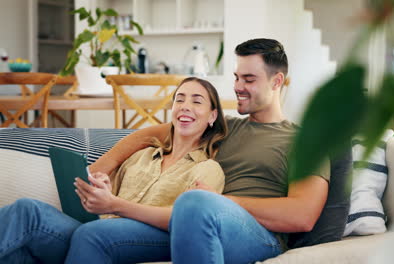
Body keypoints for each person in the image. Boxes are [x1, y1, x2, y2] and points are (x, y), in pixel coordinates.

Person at [91, 38, 331, 263]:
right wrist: (97, 171)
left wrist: (221, 201)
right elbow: (149, 134)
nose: (238, 87)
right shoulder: (224, 128)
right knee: (96, 236)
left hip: (260, 236)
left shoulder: (305, 140)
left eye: (249, 79)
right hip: (197, 221)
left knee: (194, 201)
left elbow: (303, 215)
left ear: (276, 81)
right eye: (237, 78)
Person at [0, 77, 228, 263]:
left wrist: (116, 205)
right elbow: (107, 206)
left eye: (197, 101)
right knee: (27, 211)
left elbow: (188, 220)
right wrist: (102, 191)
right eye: (180, 99)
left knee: (92, 234)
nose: (185, 106)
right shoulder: (142, 156)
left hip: (156, 237)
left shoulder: (208, 168)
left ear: (212, 116)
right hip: (104, 229)